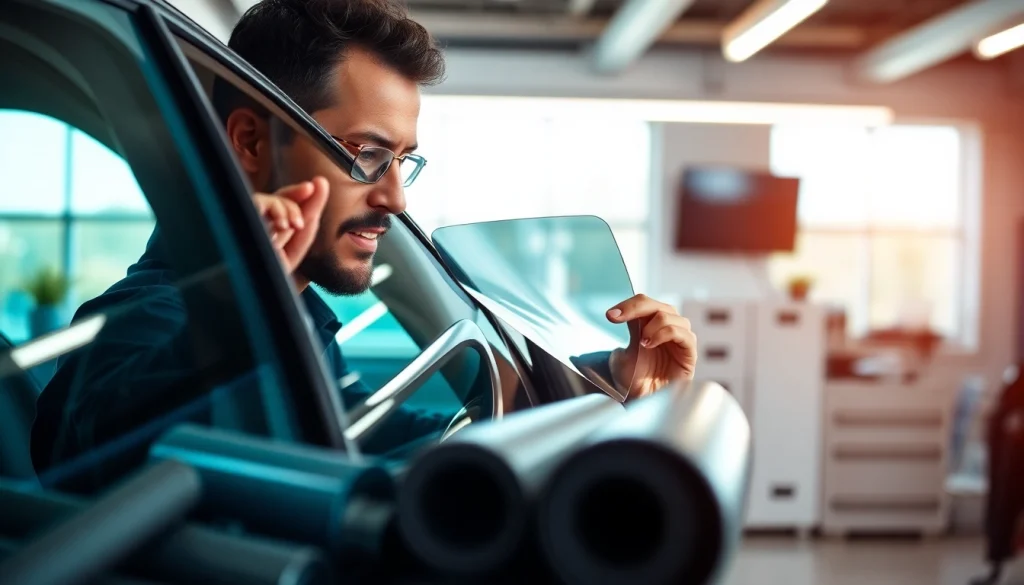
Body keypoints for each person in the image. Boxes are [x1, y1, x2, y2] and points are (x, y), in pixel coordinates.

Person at [32, 0, 697, 481]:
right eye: (367, 156)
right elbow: (78, 451)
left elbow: (358, 430)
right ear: (252, 142)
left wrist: (611, 380)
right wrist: (234, 312)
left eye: (402, 160)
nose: (394, 198)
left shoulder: (293, 318)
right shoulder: (161, 314)